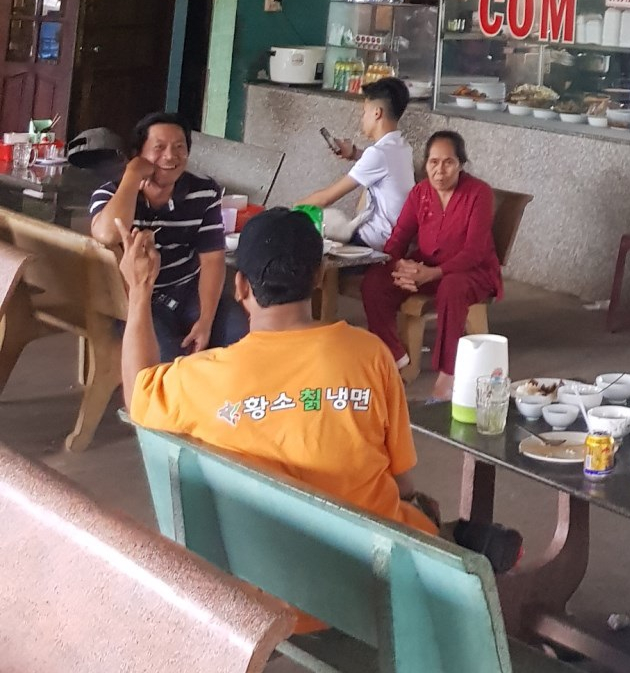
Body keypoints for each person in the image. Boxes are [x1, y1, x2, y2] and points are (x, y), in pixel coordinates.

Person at [123, 207, 437, 535]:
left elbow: (136, 395)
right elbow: (403, 483)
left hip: (262, 555)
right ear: (319, 277)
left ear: (240, 286)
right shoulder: (370, 354)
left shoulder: (203, 379)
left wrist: (140, 290)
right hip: (379, 553)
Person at [90, 112, 245, 360]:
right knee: (166, 357)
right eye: (159, 147)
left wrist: (205, 321)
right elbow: (107, 234)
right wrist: (133, 175)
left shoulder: (204, 192)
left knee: (241, 337)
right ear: (138, 154)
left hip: (187, 292)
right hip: (134, 300)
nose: (171, 156)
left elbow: (212, 259)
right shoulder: (111, 194)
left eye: (179, 147)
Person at [362, 130, 501, 402]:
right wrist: (400, 266)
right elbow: (397, 239)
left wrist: (432, 274)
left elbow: (475, 251)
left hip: (471, 271)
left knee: (452, 287)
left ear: (461, 164)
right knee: (374, 282)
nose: (440, 170)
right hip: (427, 267)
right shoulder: (420, 192)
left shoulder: (478, 193)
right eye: (433, 162)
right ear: (425, 164)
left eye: (448, 162)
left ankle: (447, 375)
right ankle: (395, 356)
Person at [296, 77, 414, 247]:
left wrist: (291, 210)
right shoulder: (402, 147)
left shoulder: (377, 154)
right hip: (394, 237)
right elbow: (383, 162)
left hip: (373, 240)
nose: (362, 118)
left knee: (309, 232)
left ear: (377, 113)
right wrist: (354, 153)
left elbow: (326, 198)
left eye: (364, 112)